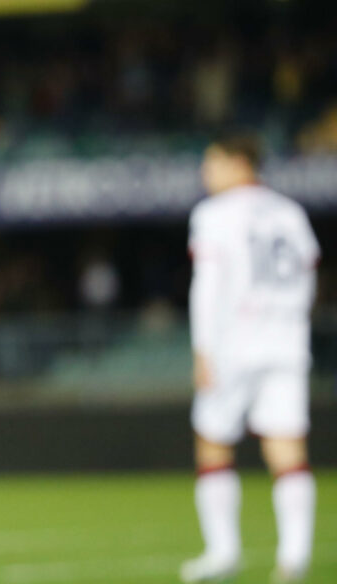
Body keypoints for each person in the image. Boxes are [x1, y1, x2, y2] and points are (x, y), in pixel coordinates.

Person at [180, 135, 319, 584]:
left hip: (233, 342)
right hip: (286, 341)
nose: (206, 173)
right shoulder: (289, 212)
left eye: (212, 162)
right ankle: (294, 556)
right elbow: (308, 274)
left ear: (240, 162)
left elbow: (207, 286)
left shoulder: (214, 213)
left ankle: (223, 552)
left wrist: (203, 349)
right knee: (287, 448)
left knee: (213, 442)